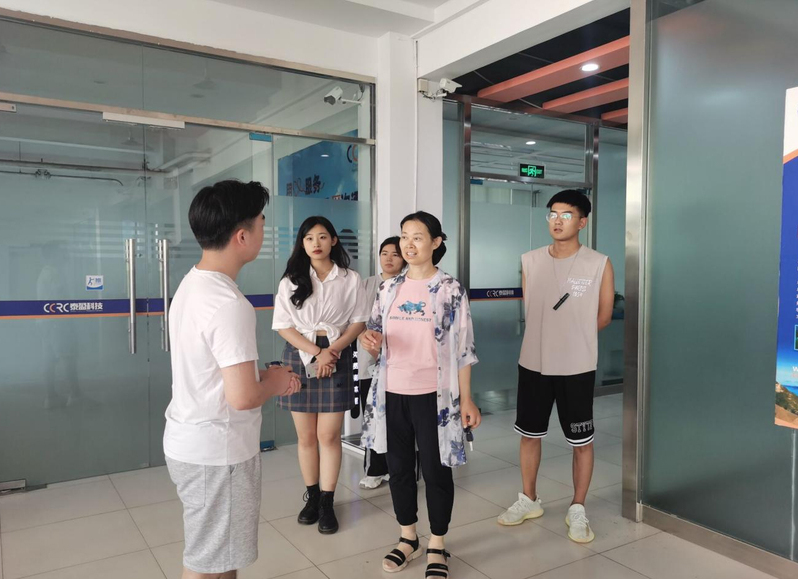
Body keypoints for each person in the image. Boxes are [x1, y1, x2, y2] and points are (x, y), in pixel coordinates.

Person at [164, 179, 302, 579]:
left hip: (193, 439)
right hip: (217, 452)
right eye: (261, 223)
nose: (264, 231)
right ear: (242, 236)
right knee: (209, 564)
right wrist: (276, 381)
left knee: (214, 556)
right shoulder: (227, 303)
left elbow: (215, 372)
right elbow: (242, 396)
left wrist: (266, 375)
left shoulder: (192, 284)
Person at [361, 211, 480, 578]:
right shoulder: (388, 288)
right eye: (404, 236)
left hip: (434, 397)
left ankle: (437, 544)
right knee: (398, 470)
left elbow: (464, 349)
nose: (408, 244)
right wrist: (370, 340)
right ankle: (408, 537)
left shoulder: (450, 289)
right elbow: (373, 331)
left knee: (436, 470)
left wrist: (467, 399)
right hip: (391, 392)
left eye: (417, 237)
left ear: (436, 242)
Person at [497, 189, 614, 544]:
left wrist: (571, 338)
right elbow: (532, 310)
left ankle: (577, 507)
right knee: (529, 434)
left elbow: (604, 315)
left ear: (582, 222)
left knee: (581, 440)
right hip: (533, 363)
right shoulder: (530, 260)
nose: (557, 220)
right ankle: (529, 499)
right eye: (552, 214)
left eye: (566, 214)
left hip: (577, 365)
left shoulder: (599, 263)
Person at [272, 215, 369, 534]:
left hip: (337, 352)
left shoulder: (350, 278)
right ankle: (312, 497)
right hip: (301, 353)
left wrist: (332, 350)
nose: (316, 243)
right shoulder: (291, 280)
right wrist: (317, 352)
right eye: (309, 238)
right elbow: (283, 325)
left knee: (328, 436)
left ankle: (328, 501)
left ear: (334, 241)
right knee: (305, 437)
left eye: (323, 236)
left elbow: (358, 321)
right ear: (302, 243)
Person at [357, 236, 406, 490]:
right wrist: (364, 338)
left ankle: (398, 468)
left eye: (395, 254)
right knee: (373, 419)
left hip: (401, 364)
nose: (389, 258)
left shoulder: (408, 285)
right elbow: (355, 320)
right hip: (370, 363)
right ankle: (375, 469)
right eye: (384, 253)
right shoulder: (366, 285)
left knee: (398, 421)